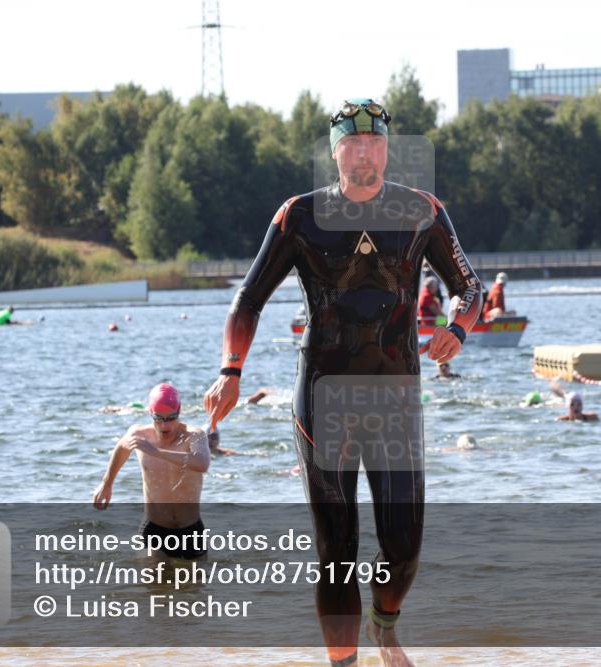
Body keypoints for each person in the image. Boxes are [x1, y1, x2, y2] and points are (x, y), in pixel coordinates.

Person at [204, 98, 483, 667]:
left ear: (386, 149)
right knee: (336, 550)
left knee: (403, 550)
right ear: (335, 153)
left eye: (374, 143)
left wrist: (458, 326)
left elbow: (470, 286)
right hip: (323, 397)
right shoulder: (299, 216)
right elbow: (249, 298)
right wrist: (231, 370)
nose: (364, 153)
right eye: (352, 144)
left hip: (396, 398)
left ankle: (385, 624)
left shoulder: (421, 211)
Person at [93, 383, 211, 559]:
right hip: (154, 527)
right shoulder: (139, 435)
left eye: (171, 417)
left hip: (190, 527)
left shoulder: (194, 435)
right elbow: (121, 448)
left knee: (195, 585)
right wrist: (107, 483)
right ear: (150, 413)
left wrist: (158, 453)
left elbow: (202, 463)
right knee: (153, 582)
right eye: (159, 418)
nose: (165, 425)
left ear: (179, 411)